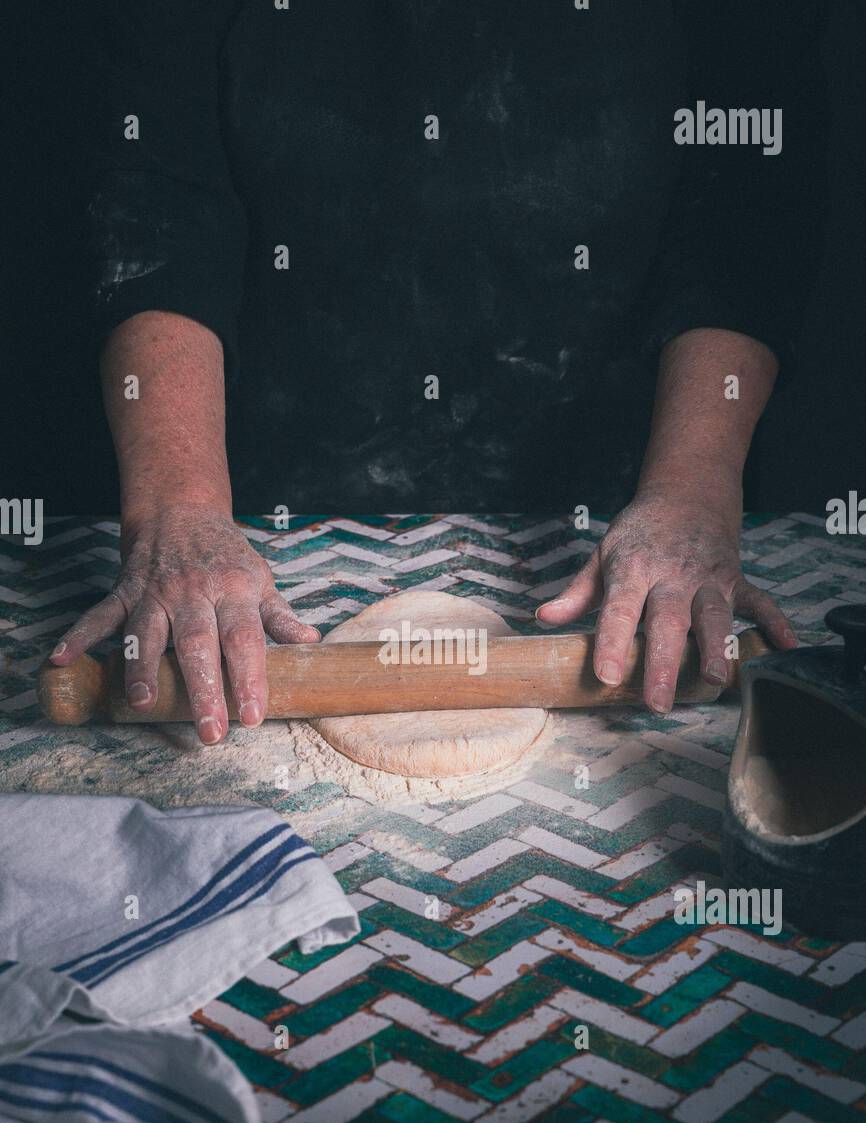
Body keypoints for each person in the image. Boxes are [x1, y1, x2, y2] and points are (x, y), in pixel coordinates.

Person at [50, 1, 828, 744]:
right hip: (261, 520)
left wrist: (692, 490)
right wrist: (178, 509)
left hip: (615, 516)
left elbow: (744, 196)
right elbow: (154, 177)